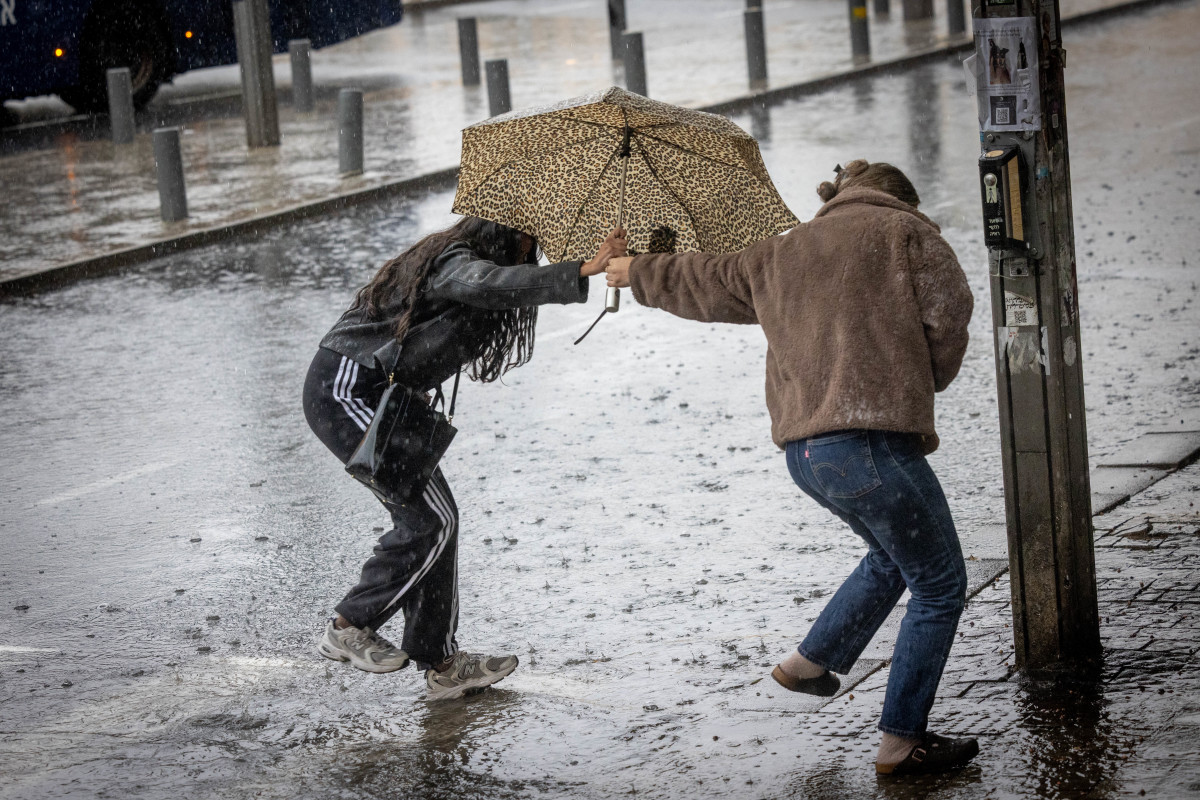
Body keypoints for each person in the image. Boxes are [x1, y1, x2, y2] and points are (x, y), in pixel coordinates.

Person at [604, 160, 978, 775]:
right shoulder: (907, 234)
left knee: (893, 558)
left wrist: (635, 271)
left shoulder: (781, 251)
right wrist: (923, 377)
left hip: (806, 456)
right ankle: (902, 742)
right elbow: (949, 316)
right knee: (939, 585)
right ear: (901, 201)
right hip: (870, 443)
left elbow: (703, 278)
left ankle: (809, 663)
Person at [303, 216, 626, 700]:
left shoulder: (469, 262)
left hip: (383, 399)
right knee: (429, 521)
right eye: (525, 239)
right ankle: (349, 625)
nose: (530, 249)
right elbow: (486, 284)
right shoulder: (455, 261)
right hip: (347, 390)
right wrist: (582, 270)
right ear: (500, 232)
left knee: (439, 521)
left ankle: (443, 664)